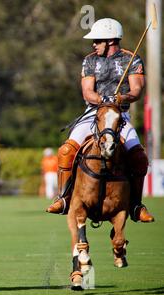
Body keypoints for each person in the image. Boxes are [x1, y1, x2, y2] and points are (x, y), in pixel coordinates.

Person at [45, 18, 154, 223]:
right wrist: (103, 100)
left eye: (97, 40)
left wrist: (123, 98)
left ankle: (136, 205)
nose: (94, 44)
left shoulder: (132, 60)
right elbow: (88, 92)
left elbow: (137, 90)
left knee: (138, 156)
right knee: (66, 151)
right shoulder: (90, 61)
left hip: (119, 116)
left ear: (111, 40)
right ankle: (63, 198)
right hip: (93, 114)